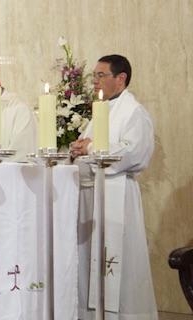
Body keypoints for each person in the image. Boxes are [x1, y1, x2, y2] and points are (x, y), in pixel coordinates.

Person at [69, 55, 157, 319]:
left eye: (100, 75)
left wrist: (91, 147)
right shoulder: (102, 111)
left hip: (119, 195)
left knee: (121, 265)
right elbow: (88, 147)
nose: (95, 81)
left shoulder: (134, 112)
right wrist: (76, 149)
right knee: (90, 261)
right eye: (93, 75)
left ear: (121, 79)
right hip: (92, 195)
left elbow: (136, 153)